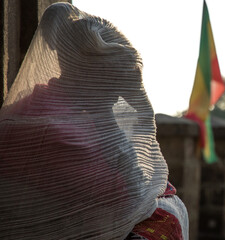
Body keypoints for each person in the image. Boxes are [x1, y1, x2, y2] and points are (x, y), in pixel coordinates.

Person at [0, 3, 188, 239]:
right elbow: (132, 194)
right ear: (96, 76)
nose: (119, 97)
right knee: (171, 209)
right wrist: (106, 120)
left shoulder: (33, 104)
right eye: (116, 84)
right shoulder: (70, 133)